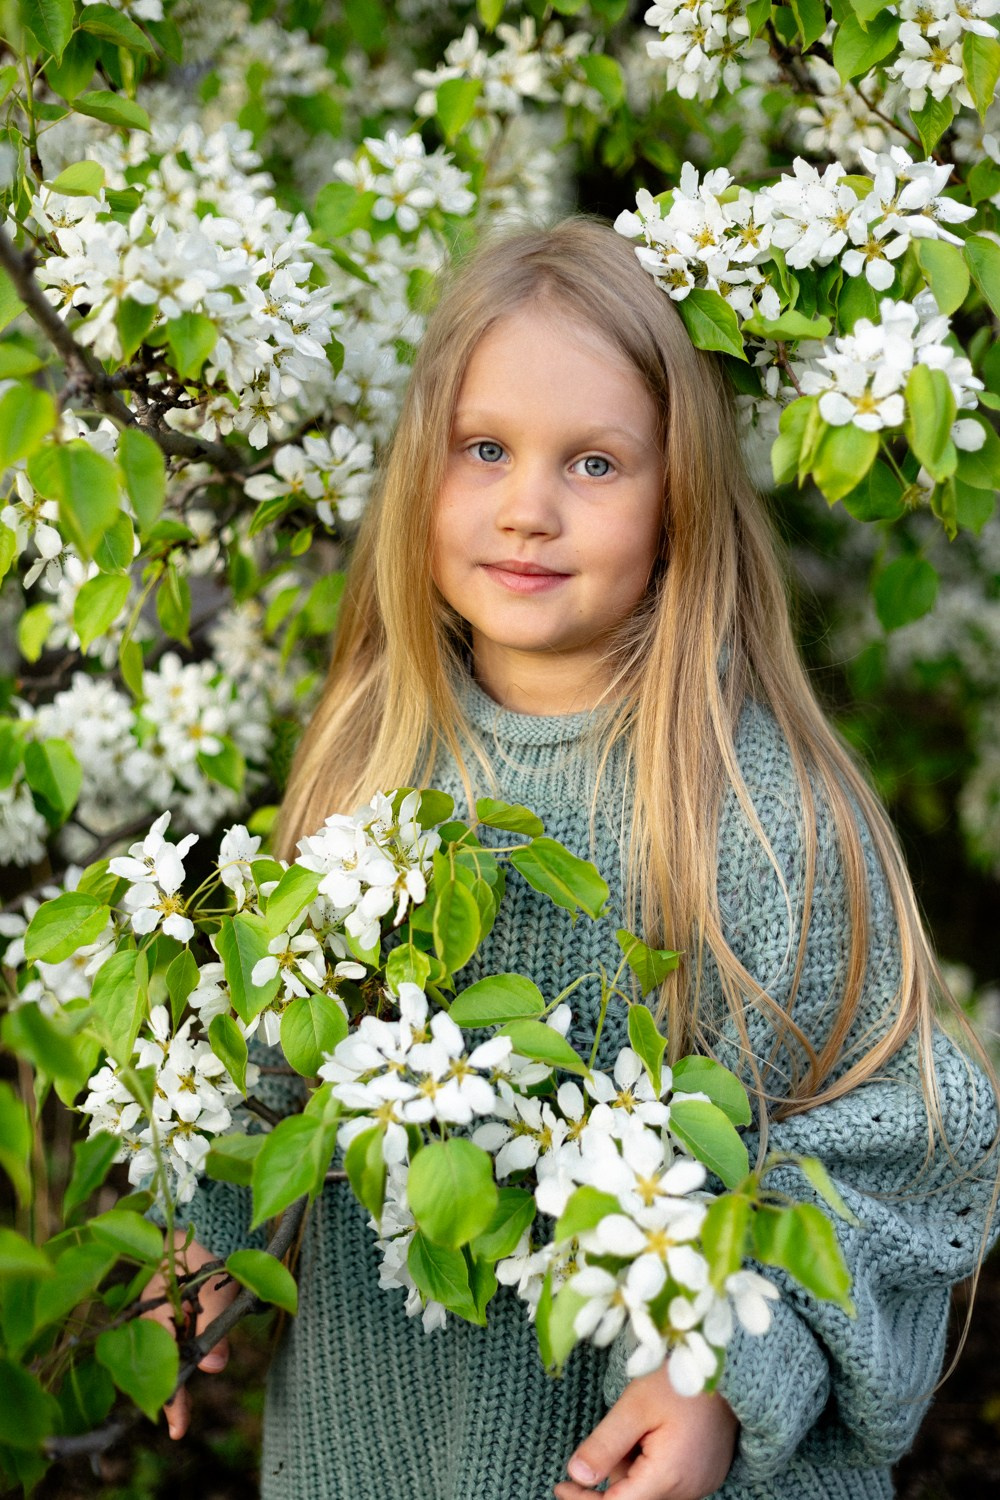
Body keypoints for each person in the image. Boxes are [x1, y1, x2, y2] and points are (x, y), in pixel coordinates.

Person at [148, 219, 999, 1500]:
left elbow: (899, 1145)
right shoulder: (369, 766)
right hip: (381, 1442)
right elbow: (280, 1071)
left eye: (594, 463)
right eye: (482, 449)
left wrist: (723, 1371)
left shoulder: (759, 810)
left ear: (679, 502)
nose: (527, 509)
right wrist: (206, 1238)